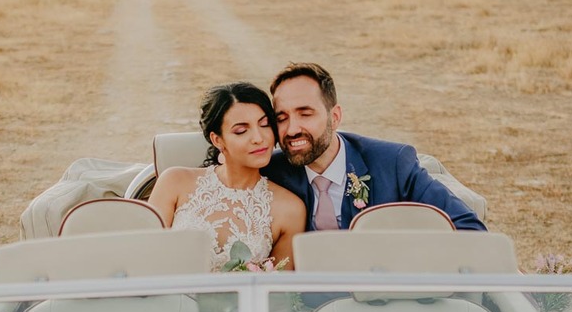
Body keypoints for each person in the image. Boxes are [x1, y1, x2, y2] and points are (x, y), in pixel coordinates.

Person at [261, 62, 487, 232]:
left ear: (335, 117)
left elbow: (467, 227)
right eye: (281, 117)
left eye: (305, 114)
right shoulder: (271, 171)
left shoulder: (392, 163)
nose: (291, 130)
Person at [148, 82, 306, 271]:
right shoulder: (174, 182)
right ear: (218, 140)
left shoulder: (291, 209)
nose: (258, 137)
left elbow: (278, 292)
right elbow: (145, 257)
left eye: (265, 125)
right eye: (241, 131)